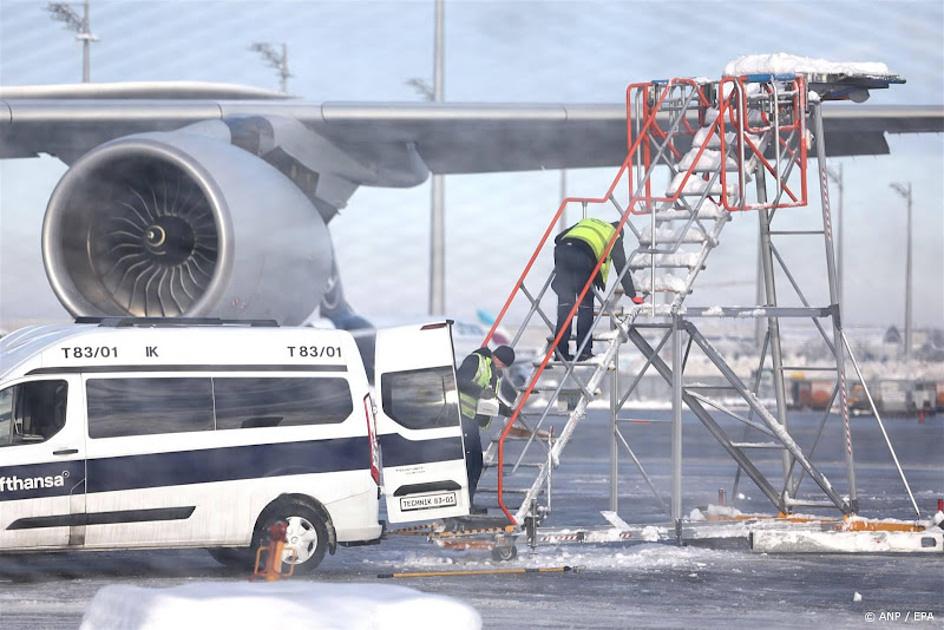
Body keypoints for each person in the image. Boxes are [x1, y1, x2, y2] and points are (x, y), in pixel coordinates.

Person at [553, 218, 644, 362]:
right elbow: (622, 267)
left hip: (562, 252)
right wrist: (632, 294)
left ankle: (560, 352)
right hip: (582, 258)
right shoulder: (614, 235)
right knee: (585, 307)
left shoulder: (588, 221)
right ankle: (584, 351)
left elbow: (557, 239)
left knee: (566, 307)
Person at [456, 344, 515, 512]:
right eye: (502, 364)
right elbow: (459, 381)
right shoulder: (476, 361)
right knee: (470, 463)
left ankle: (468, 503)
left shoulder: (492, 372)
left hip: (471, 421)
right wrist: (480, 391)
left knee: (476, 463)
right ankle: (464, 505)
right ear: (497, 357)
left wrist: (507, 411)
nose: (501, 368)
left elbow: (490, 398)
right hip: (461, 417)